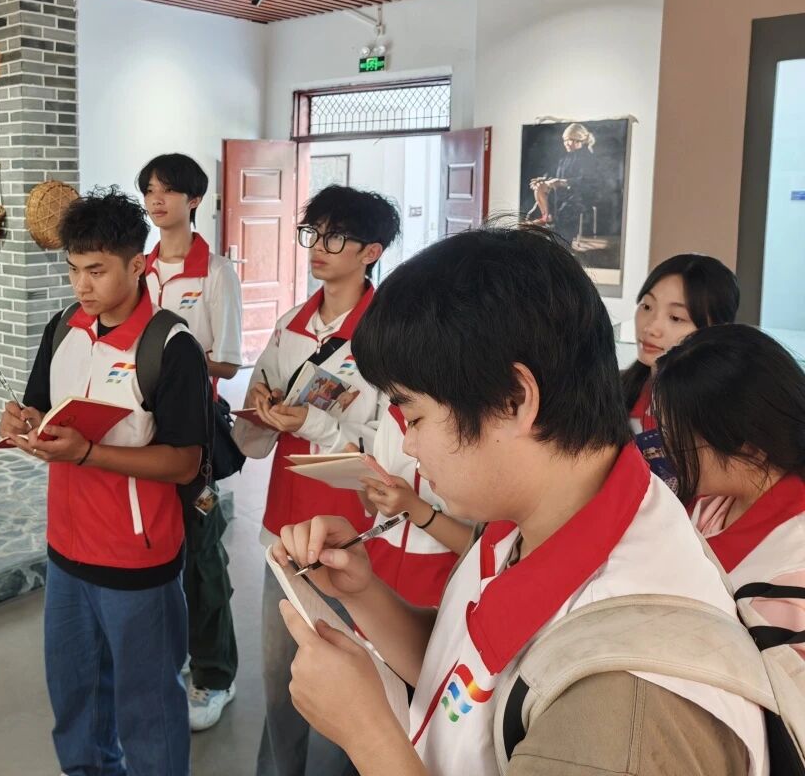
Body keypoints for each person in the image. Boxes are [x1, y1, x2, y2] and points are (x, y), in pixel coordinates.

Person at [272, 224, 768, 775]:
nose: (408, 445)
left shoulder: (627, 701)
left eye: (415, 416)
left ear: (513, 400)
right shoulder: (531, 518)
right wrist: (365, 594)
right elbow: (466, 670)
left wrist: (366, 734)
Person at [0, 188, 211, 776]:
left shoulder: (171, 346)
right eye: (73, 270)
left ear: (137, 265)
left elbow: (185, 463)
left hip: (136, 558)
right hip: (66, 552)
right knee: (75, 702)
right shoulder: (62, 328)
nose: (81, 286)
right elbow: (41, 409)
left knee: (148, 708)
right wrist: (22, 422)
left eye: (96, 270)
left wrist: (90, 453)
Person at [235, 184, 410, 776]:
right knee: (281, 678)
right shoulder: (292, 324)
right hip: (284, 528)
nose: (318, 247)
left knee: (349, 681)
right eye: (314, 233)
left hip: (354, 537)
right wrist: (262, 410)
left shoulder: (388, 336)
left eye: (336, 237)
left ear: (371, 252)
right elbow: (253, 435)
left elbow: (394, 451)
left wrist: (312, 422)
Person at [139, 153, 243, 731]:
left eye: (168, 190)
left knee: (202, 556)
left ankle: (216, 675)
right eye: (149, 191)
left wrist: (172, 361)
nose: (156, 200)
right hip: (141, 430)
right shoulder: (141, 268)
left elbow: (227, 361)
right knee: (156, 551)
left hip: (193, 433)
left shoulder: (215, 272)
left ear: (194, 199)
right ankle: (177, 651)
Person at [654, 323, 805, 656]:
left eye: (679, 437)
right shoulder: (713, 502)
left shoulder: (791, 570)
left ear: (750, 446)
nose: (667, 448)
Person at [622, 253, 739, 487]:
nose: (651, 327)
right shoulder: (615, 391)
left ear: (717, 330)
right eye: (647, 306)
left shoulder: (727, 416)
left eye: (676, 318)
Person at [525, 122, 602, 241]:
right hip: (562, 193)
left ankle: (560, 240)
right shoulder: (566, 158)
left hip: (581, 196)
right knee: (540, 187)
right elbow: (557, 176)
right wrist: (544, 180)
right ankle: (546, 217)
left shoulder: (588, 158)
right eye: (565, 140)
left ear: (580, 140)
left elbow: (588, 182)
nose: (566, 143)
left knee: (564, 212)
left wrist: (563, 182)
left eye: (570, 140)